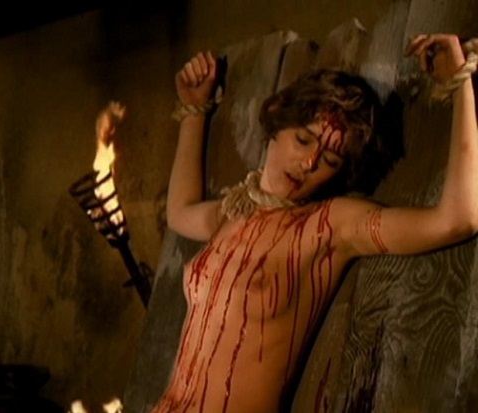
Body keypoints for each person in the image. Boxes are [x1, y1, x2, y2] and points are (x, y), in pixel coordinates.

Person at [151, 33, 477, 413]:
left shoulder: (327, 228)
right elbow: (180, 211)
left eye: (330, 160)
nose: (309, 163)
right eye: (304, 139)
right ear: (277, 117)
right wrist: (195, 110)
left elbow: (457, 219)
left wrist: (460, 83)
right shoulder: (234, 211)